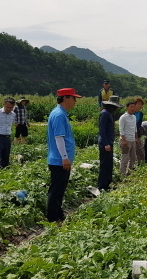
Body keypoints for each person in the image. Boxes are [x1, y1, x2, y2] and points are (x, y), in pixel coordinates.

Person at [46, 88, 82, 226]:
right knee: (56, 191)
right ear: (66, 98)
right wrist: (65, 157)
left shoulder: (61, 113)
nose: (75, 101)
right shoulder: (59, 115)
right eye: (74, 98)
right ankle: (53, 219)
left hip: (60, 159)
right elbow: (59, 138)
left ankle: (58, 214)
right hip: (59, 160)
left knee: (60, 190)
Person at [98, 96, 123, 191]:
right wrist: (106, 143)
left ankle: (108, 184)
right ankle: (102, 186)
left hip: (109, 142)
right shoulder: (104, 113)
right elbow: (102, 130)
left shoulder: (109, 113)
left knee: (109, 164)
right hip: (105, 143)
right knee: (105, 165)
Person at [119, 102, 138, 176]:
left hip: (132, 140)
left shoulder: (134, 117)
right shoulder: (123, 117)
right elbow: (121, 129)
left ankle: (129, 172)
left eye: (134, 107)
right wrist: (124, 140)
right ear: (127, 108)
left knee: (133, 157)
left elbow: (135, 128)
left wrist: (136, 138)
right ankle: (122, 173)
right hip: (126, 140)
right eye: (131, 107)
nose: (133, 108)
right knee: (125, 158)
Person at [134, 98, 145, 164]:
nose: (140, 106)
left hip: (138, 133)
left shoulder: (140, 114)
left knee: (140, 149)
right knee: (133, 150)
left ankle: (140, 164)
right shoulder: (131, 113)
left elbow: (139, 124)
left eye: (141, 104)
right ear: (135, 104)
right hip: (131, 134)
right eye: (138, 104)